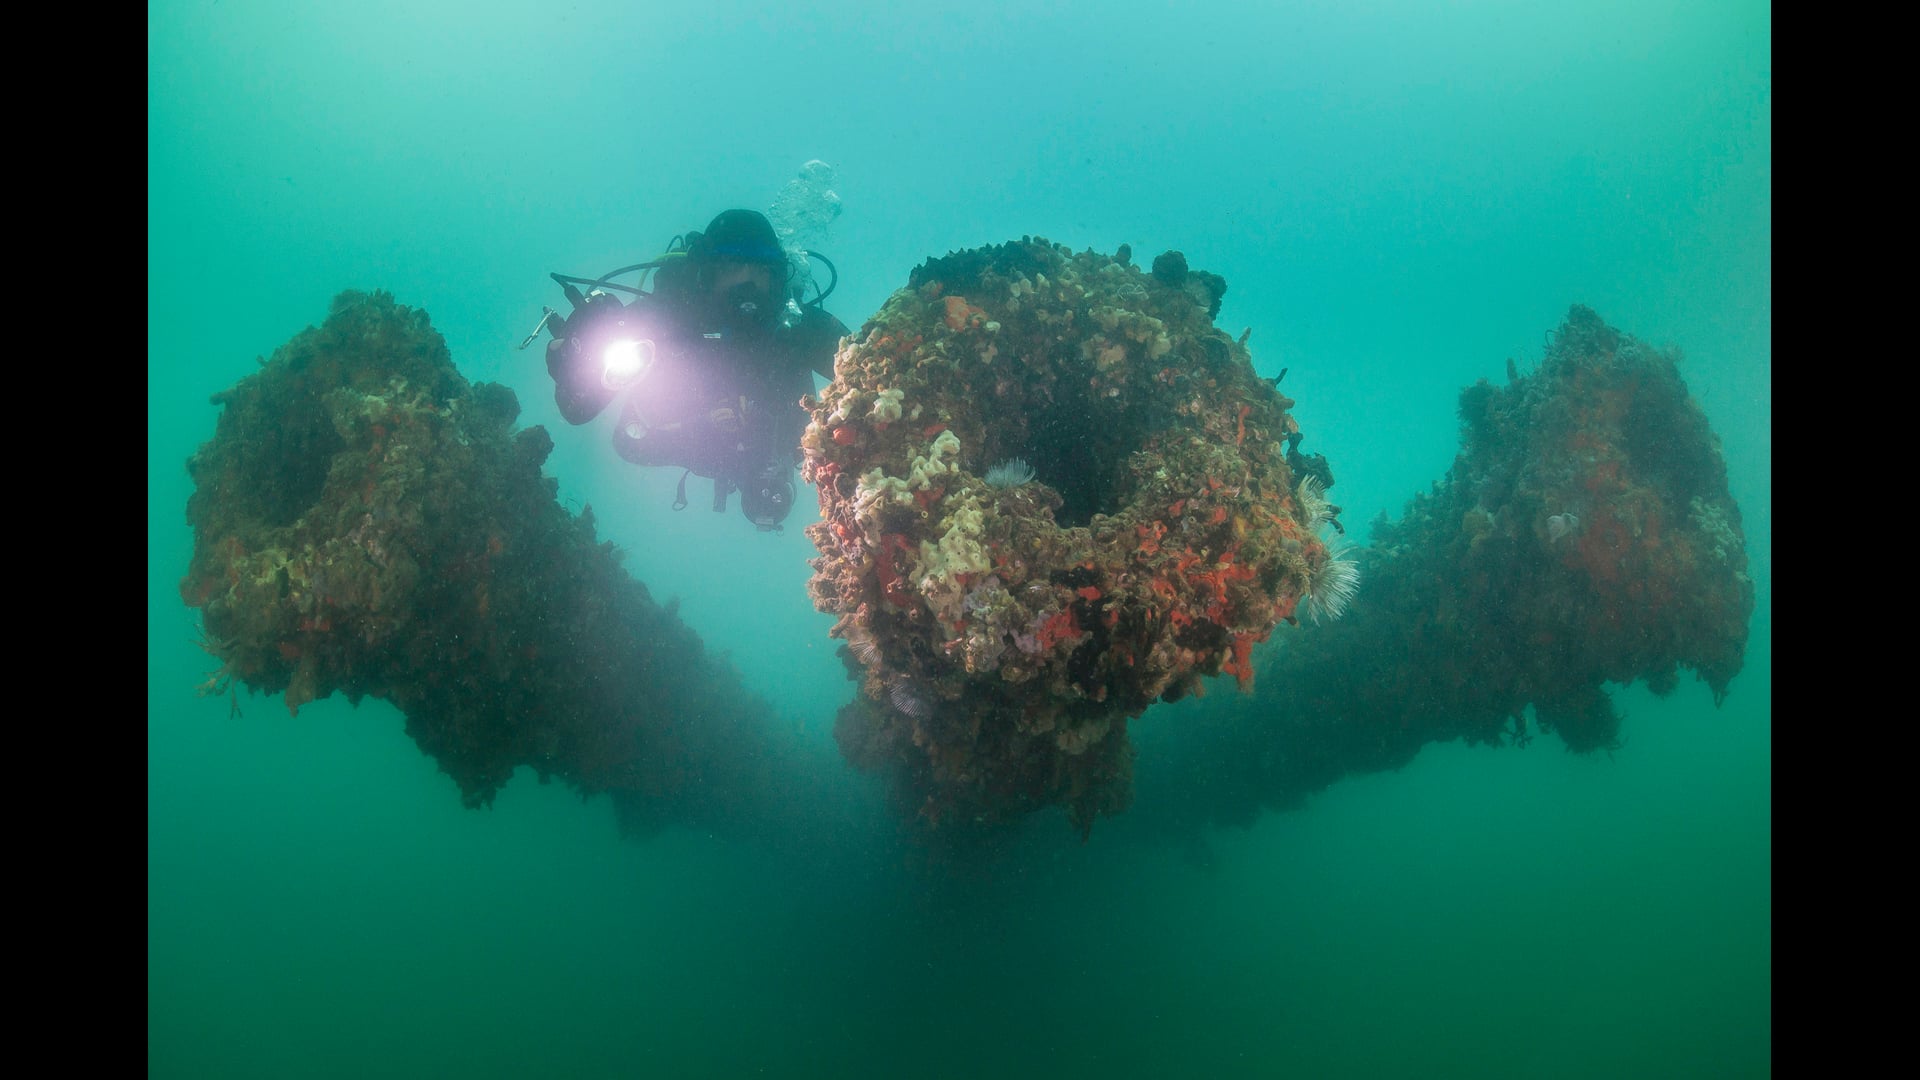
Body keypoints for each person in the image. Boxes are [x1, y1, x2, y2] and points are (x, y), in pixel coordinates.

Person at [540, 209, 849, 530]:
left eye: (760, 271)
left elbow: (873, 368)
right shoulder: (667, 319)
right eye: (733, 269)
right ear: (705, 273)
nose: (748, 284)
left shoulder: (797, 326)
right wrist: (574, 356)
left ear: (777, 277)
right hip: (699, 447)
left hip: (775, 446)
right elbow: (587, 415)